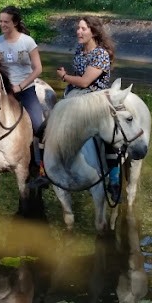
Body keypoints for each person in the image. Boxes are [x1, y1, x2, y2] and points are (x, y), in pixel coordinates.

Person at [56, 16, 120, 201]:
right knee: (48, 126)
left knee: (110, 137)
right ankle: (46, 171)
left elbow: (84, 81)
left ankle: (114, 181)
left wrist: (64, 77)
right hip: (75, 96)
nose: (79, 32)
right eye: (78, 28)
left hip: (96, 99)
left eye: (83, 29)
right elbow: (80, 78)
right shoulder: (79, 49)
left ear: (93, 31)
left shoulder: (101, 54)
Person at [0, 5, 48, 187]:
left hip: (25, 89)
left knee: (40, 126)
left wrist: (21, 85)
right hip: (3, 91)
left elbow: (38, 68)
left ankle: (43, 169)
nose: (2, 25)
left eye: (6, 21)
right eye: (0, 21)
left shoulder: (27, 42)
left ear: (15, 22)